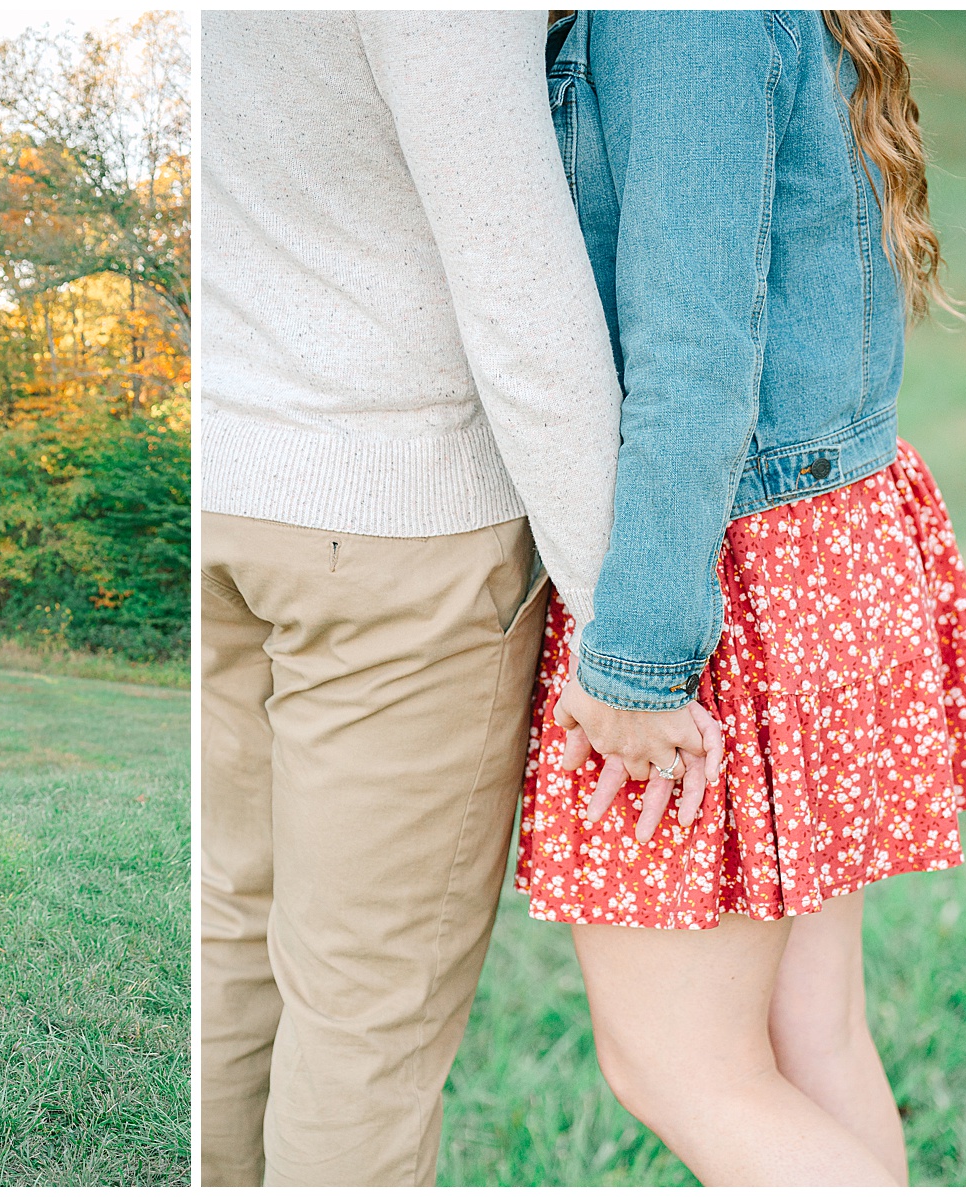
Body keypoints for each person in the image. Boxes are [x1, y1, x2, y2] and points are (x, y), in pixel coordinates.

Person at [199, 11, 719, 1186]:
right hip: (390, 519)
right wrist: (614, 620)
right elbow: (516, 286)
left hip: (221, 490)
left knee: (231, 933)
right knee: (363, 1013)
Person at [520, 11, 966, 1186]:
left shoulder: (676, 21)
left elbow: (693, 355)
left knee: (680, 1064)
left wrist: (637, 664)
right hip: (816, 550)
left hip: (722, 576)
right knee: (804, 1036)